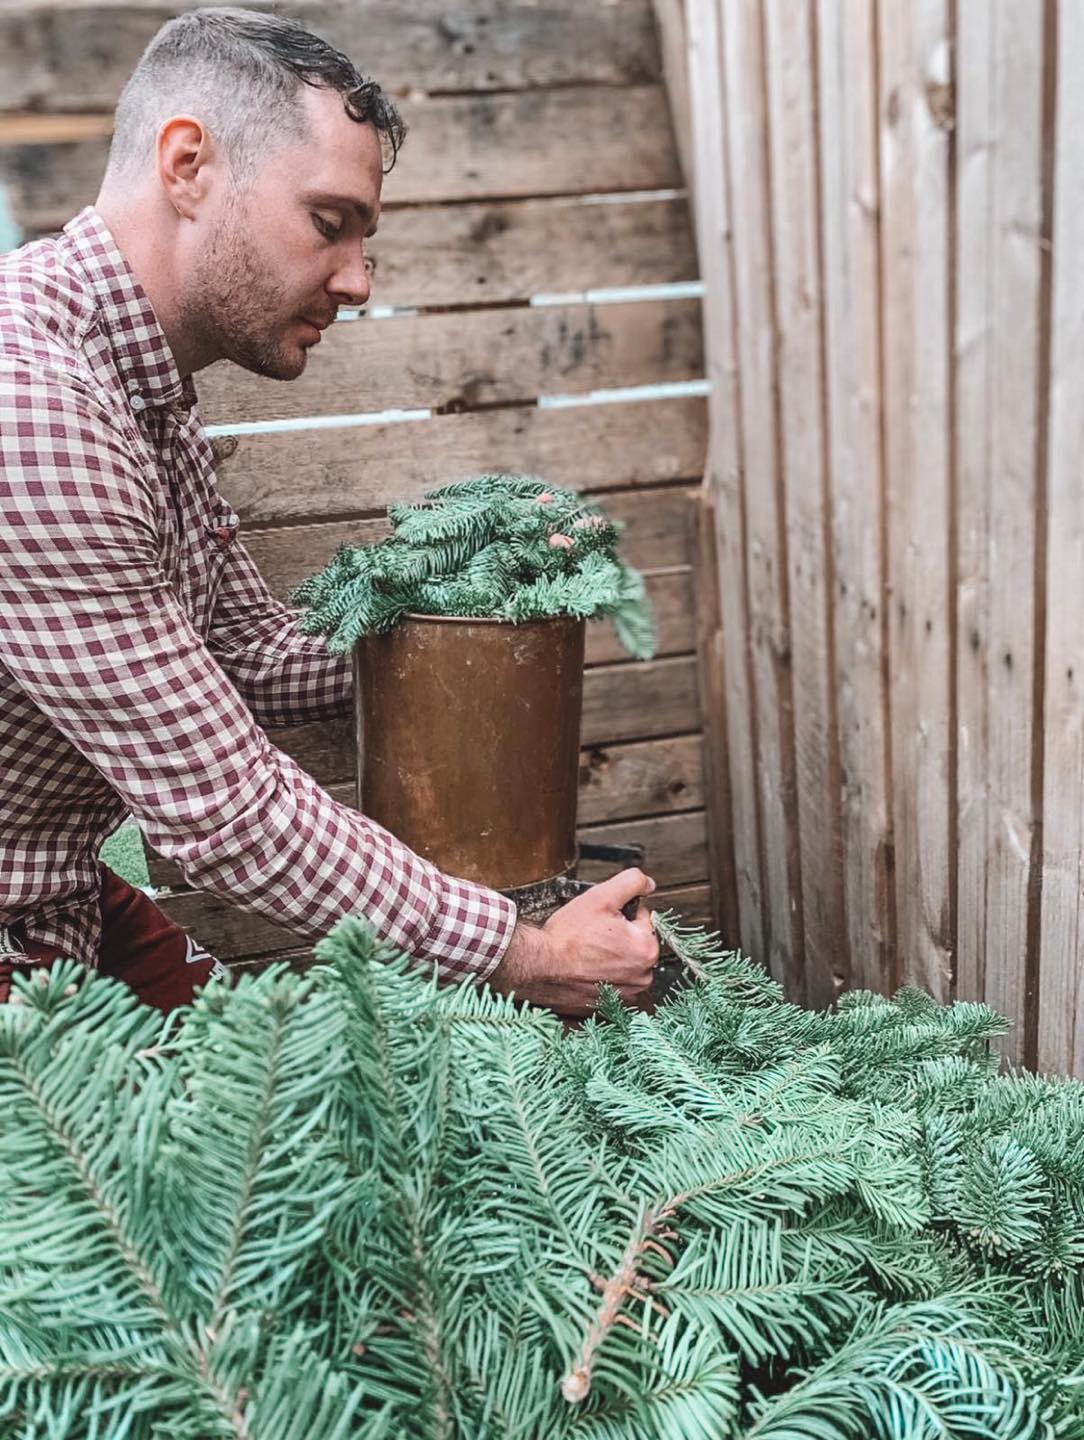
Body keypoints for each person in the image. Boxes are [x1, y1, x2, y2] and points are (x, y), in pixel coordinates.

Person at [0, 7, 659, 1018]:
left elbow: (250, 659)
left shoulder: (141, 383)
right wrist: (529, 956)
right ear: (188, 164)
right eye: (328, 222)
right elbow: (224, 813)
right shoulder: (37, 405)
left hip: (59, 893)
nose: (356, 280)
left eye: (365, 236)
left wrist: (467, 597)